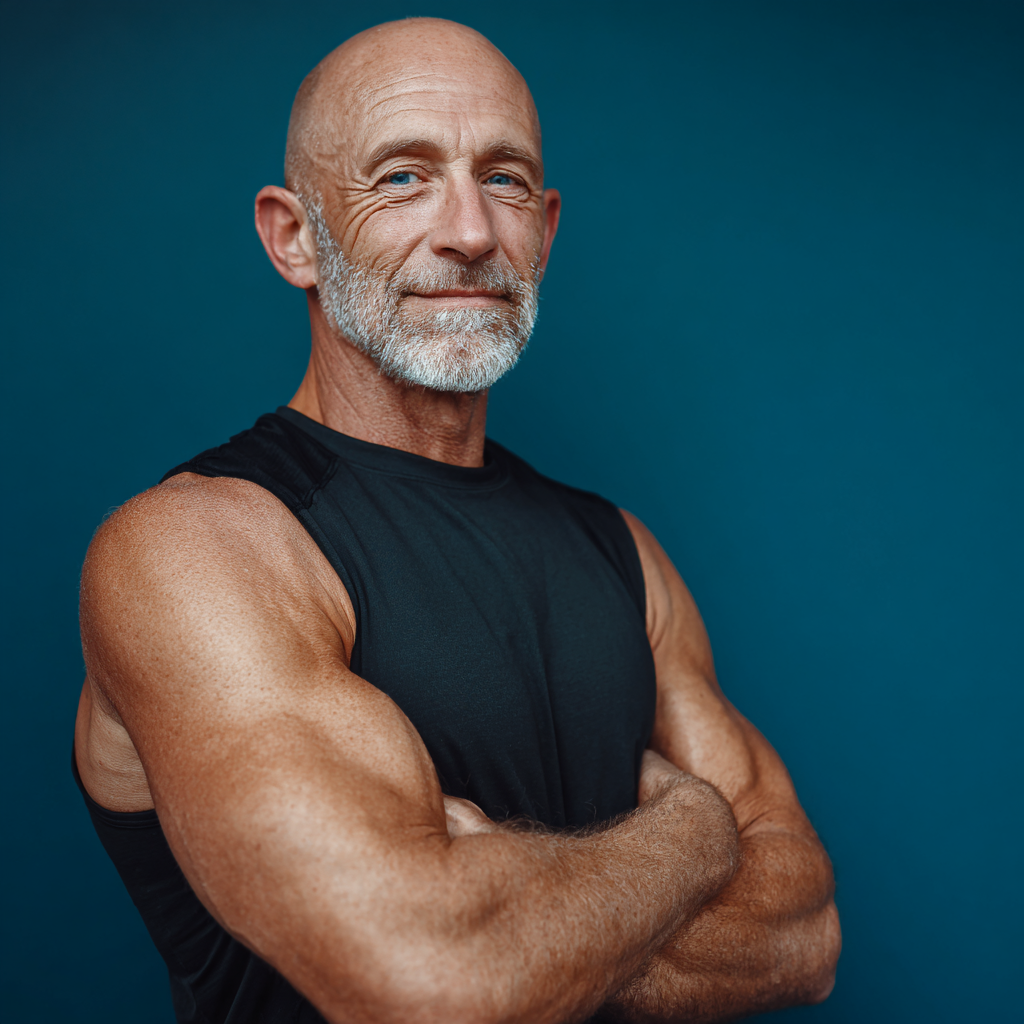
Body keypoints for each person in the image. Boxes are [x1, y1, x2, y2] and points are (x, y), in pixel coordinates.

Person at [74, 17, 840, 1024]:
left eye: (506, 180)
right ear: (294, 235)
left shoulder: (621, 554)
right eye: (402, 177)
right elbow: (429, 980)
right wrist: (692, 834)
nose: (469, 232)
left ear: (547, 229)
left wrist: (524, 927)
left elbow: (802, 933)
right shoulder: (198, 550)